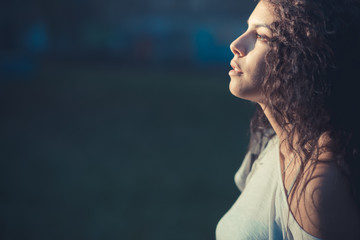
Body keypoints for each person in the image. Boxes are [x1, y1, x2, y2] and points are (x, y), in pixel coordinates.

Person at [216, 0, 360, 239]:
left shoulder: (319, 184)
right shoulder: (268, 141)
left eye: (261, 36)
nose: (236, 44)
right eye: (247, 29)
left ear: (304, 57)